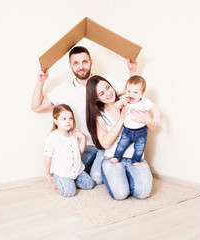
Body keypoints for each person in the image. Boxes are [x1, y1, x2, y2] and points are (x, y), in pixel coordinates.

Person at [31, 46, 136, 184]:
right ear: (70, 66)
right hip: (80, 146)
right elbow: (36, 106)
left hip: (104, 146)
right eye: (76, 63)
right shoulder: (65, 90)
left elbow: (132, 93)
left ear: (91, 62)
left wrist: (132, 71)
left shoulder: (104, 82)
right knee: (70, 174)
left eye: (84, 62)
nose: (81, 67)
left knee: (96, 179)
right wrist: (41, 81)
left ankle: (96, 169)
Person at [86, 75, 154, 200]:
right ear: (96, 98)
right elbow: (105, 143)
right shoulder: (100, 115)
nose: (108, 93)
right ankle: (116, 173)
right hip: (112, 159)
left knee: (143, 193)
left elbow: (151, 126)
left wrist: (148, 120)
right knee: (121, 194)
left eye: (108, 87)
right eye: (102, 93)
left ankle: (128, 173)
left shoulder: (130, 100)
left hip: (135, 158)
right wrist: (121, 119)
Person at [43, 104, 95, 197]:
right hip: (63, 172)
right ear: (56, 121)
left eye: (70, 118)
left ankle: (71, 181)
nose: (68, 121)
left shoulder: (73, 134)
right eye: (64, 119)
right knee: (69, 192)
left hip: (76, 170)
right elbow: (48, 158)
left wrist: (83, 138)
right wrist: (47, 174)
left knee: (89, 184)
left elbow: (80, 151)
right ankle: (59, 180)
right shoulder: (53, 138)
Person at [111, 75, 160, 166]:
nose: (131, 94)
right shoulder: (125, 99)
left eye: (135, 92)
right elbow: (116, 106)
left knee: (139, 148)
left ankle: (135, 160)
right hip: (127, 130)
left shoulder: (145, 102)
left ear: (142, 93)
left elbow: (154, 108)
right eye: (128, 91)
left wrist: (156, 117)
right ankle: (117, 157)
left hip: (141, 131)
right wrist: (121, 102)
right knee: (121, 144)